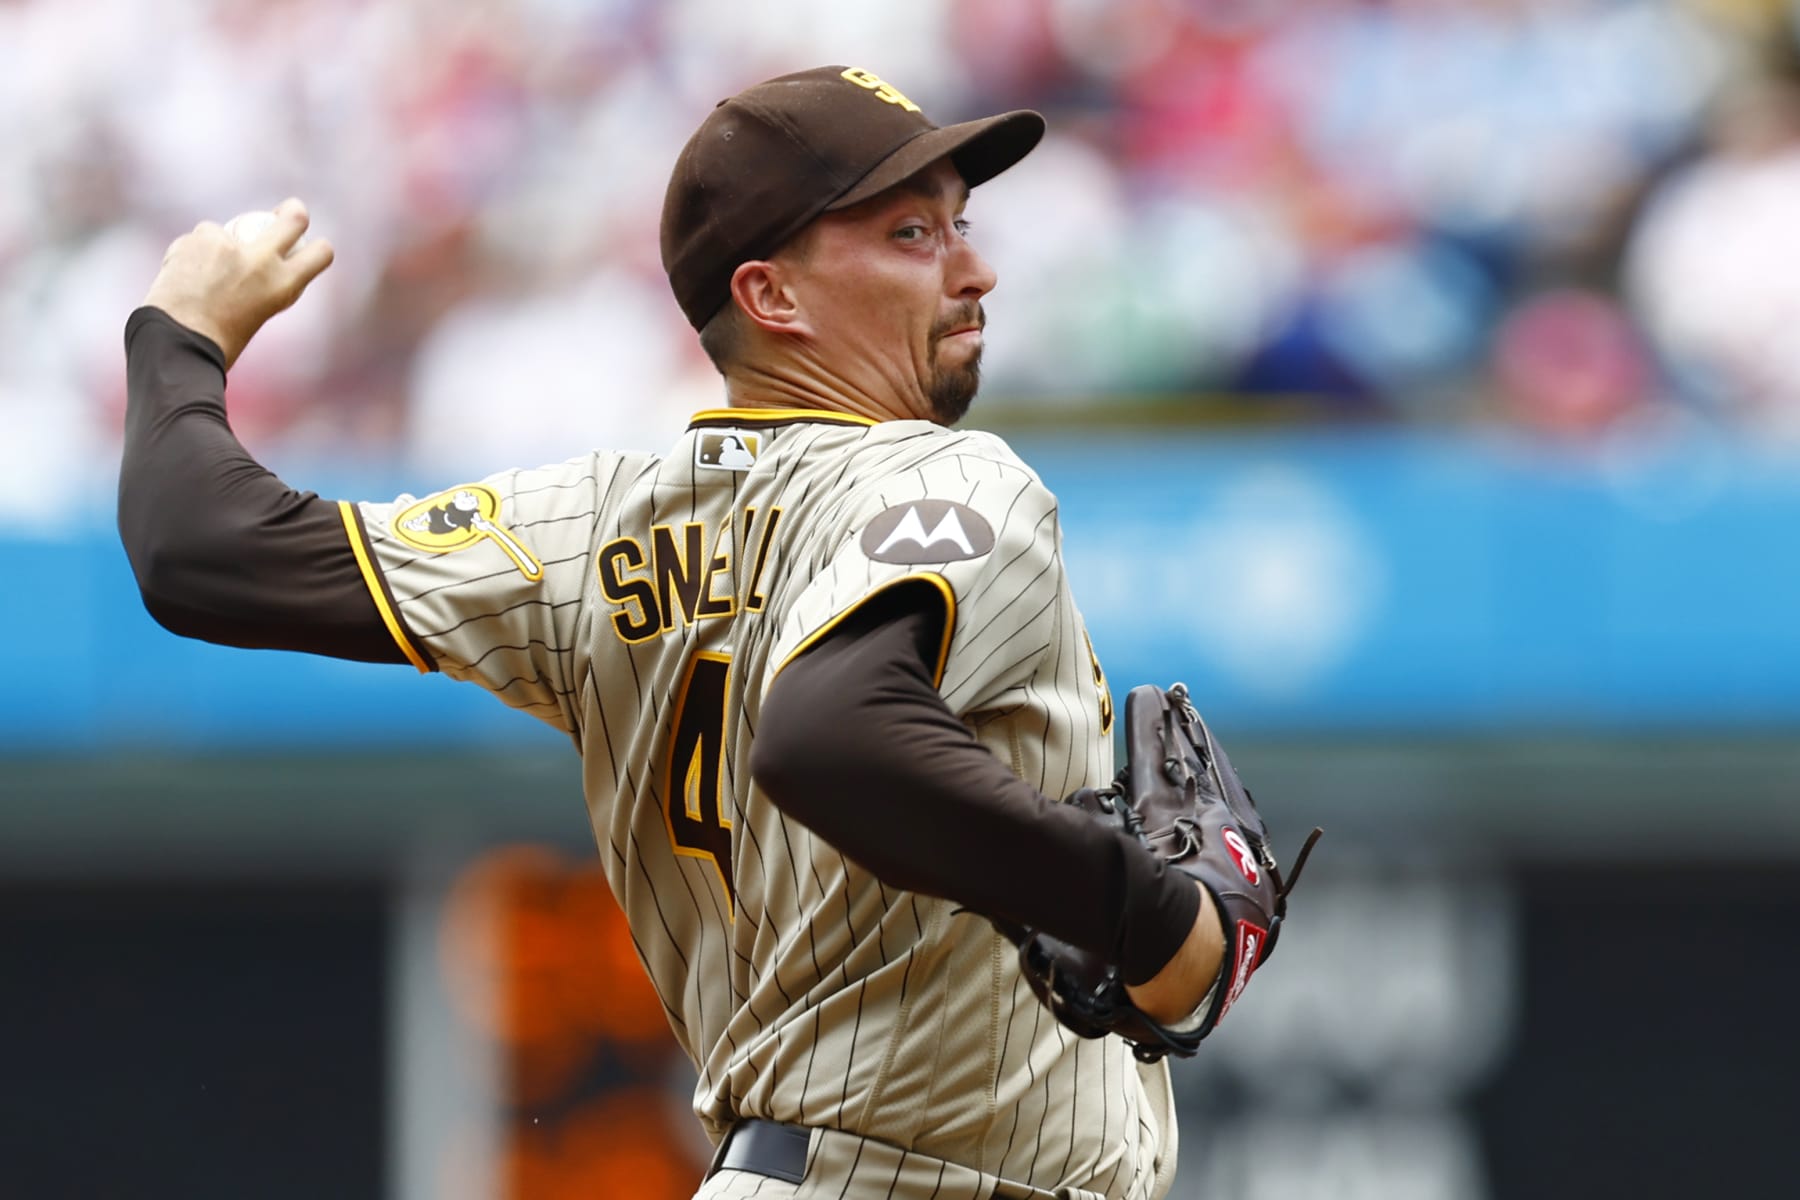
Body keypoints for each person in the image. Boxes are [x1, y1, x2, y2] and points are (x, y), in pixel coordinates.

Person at [120, 66, 1229, 1200]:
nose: (974, 268)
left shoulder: (591, 524)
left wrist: (182, 336)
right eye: (910, 232)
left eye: (958, 224)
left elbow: (201, 546)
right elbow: (831, 734)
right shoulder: (954, 476)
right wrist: (1147, 914)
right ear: (772, 297)